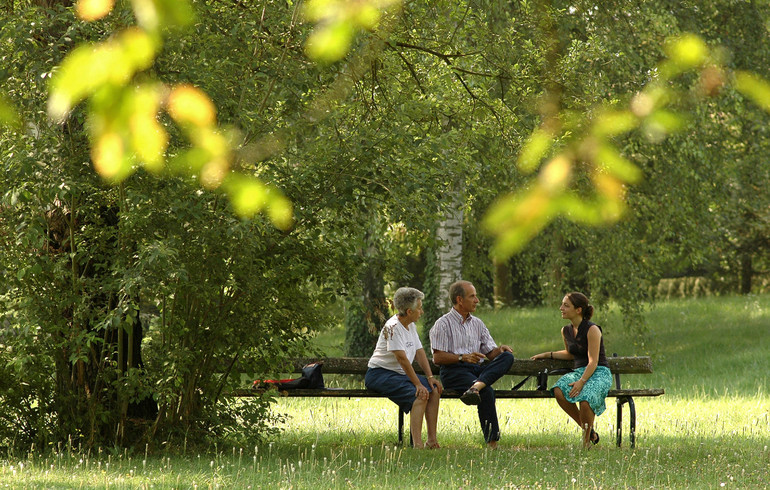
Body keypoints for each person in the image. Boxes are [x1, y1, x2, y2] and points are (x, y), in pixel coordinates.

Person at [429, 280, 514, 448]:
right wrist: (462, 357)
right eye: (472, 296)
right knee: (487, 391)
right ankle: (492, 443)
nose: (477, 300)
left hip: (477, 371)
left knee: (507, 357)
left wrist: (499, 350)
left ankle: (476, 386)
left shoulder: (478, 323)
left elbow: (489, 353)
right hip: (455, 372)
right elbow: (437, 358)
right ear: (460, 300)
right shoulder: (442, 324)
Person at [531, 292, 613, 448]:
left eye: (566, 305)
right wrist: (548, 354)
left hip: (598, 372)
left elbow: (593, 361)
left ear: (578, 310)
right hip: (579, 371)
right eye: (562, 304)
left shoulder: (592, 329)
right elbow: (570, 354)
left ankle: (586, 441)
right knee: (558, 390)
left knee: (586, 398)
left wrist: (581, 382)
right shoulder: (566, 330)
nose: (561, 308)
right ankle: (587, 428)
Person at [365, 287, 443, 449]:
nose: (421, 312)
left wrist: (429, 378)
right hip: (379, 374)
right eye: (419, 308)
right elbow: (402, 360)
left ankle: (432, 440)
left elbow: (420, 353)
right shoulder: (392, 328)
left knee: (433, 390)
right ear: (409, 311)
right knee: (421, 395)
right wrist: (417, 384)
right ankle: (418, 445)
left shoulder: (411, 326)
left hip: (399, 374)